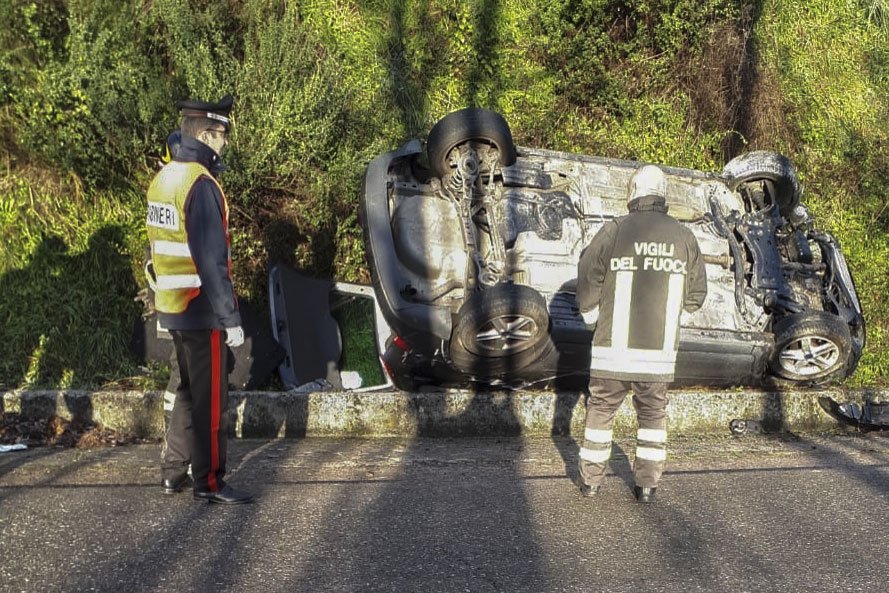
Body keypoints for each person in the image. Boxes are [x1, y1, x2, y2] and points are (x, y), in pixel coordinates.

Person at [574, 164, 707, 503]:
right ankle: (646, 486)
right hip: (657, 355)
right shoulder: (685, 237)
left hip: (612, 351)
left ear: (633, 193)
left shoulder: (615, 230)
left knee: (601, 410)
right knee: (652, 416)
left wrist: (590, 314)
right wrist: (675, 319)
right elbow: (697, 294)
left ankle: (591, 482)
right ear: (663, 195)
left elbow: (588, 271)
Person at [145, 94, 252, 504]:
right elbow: (211, 260)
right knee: (210, 400)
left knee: (188, 391)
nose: (225, 143)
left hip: (172, 303)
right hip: (201, 305)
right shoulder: (201, 184)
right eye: (222, 135)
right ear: (207, 135)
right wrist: (230, 317)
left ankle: (173, 472)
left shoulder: (164, 179)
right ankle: (209, 482)